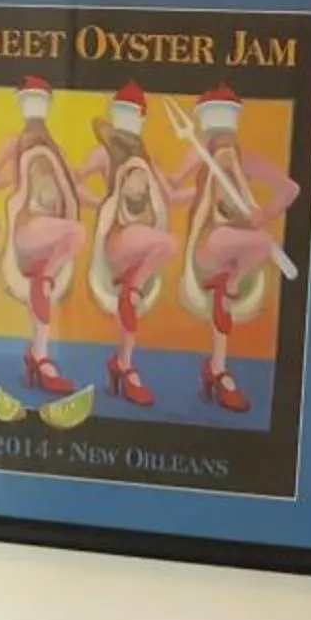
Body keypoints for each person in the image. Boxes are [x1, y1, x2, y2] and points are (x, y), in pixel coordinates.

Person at [173, 86, 300, 415]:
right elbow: (172, 187)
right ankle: (226, 289)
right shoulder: (197, 155)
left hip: (236, 257)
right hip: (208, 246)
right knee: (261, 243)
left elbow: (290, 189)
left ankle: (217, 368)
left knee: (235, 280)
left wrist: (266, 214)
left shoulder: (248, 162)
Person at [78, 84, 187, 409]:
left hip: (141, 247)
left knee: (134, 299)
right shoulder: (104, 154)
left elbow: (172, 196)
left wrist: (208, 186)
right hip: (118, 241)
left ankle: (123, 363)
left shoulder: (146, 160)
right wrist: (101, 203)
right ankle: (132, 290)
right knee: (167, 244)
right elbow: (74, 180)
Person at [0, 77, 83, 398]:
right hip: (29, 231)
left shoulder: (56, 151)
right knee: (75, 233)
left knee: (47, 285)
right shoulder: (16, 144)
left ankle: (39, 355)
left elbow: (73, 188)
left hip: (51, 236)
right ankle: (44, 276)